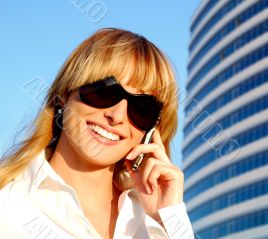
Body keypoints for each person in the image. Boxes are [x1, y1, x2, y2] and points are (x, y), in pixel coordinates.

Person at [0, 28, 194, 239]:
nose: (117, 116)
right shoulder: (8, 205)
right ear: (64, 94)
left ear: (150, 132)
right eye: (104, 91)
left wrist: (168, 221)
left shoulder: (156, 223)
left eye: (142, 108)